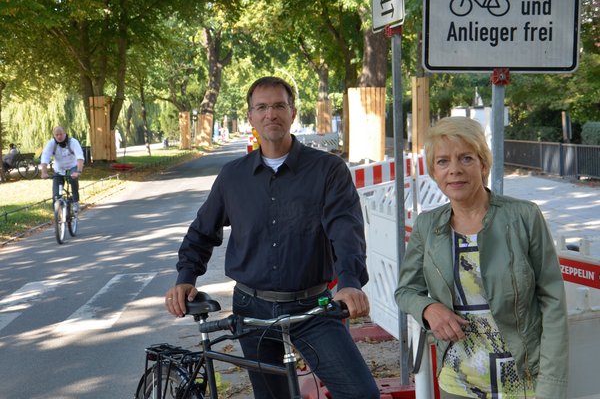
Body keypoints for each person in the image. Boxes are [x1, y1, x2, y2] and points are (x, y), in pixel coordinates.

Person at [165, 76, 379, 398]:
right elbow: (201, 231)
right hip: (252, 308)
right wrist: (186, 276)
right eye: (261, 107)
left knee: (361, 393)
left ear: (293, 113)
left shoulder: (327, 170)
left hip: (314, 307)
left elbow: (345, 231)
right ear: (250, 117)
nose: (271, 114)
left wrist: (350, 283)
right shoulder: (233, 177)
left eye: (279, 106)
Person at [395, 117, 569, 398]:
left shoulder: (524, 217)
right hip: (458, 381)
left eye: (466, 158)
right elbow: (406, 291)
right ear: (433, 172)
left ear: (483, 164)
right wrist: (428, 309)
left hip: (523, 381)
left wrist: (551, 385)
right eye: (442, 162)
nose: (454, 170)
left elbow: (553, 302)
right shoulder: (428, 226)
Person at [40, 126, 85, 213]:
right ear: (54, 135)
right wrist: (44, 172)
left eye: (61, 134)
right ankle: (57, 214)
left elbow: (80, 157)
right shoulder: (51, 144)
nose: (59, 137)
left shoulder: (73, 142)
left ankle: (75, 202)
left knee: (73, 179)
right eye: (57, 135)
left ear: (65, 133)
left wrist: (78, 171)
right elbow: (45, 157)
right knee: (56, 193)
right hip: (59, 169)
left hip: (72, 167)